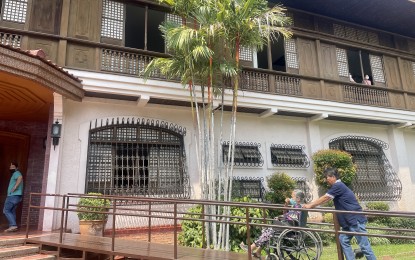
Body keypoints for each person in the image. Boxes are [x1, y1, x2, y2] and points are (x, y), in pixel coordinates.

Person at [303, 168, 376, 260]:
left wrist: (310, 205)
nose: (326, 180)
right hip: (348, 222)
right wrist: (312, 205)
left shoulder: (338, 186)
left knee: (364, 246)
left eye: (327, 178)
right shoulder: (338, 186)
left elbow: (326, 198)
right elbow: (328, 198)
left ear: (333, 177)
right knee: (343, 240)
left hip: (355, 220)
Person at [240, 189, 305, 259]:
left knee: (269, 232)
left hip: (290, 229)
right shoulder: (296, 206)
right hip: (287, 226)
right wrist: (286, 204)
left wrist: (282, 217)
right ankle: (258, 251)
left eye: (293, 197)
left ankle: (252, 247)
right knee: (267, 231)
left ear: (298, 198)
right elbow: (285, 213)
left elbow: (290, 217)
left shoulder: (299, 206)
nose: (291, 198)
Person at [3, 162, 24, 232]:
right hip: (17, 196)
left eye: (12, 167)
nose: (11, 168)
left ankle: (13, 225)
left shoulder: (16, 173)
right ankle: (13, 227)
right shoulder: (15, 174)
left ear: (16, 168)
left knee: (6, 210)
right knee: (12, 210)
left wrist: (15, 187)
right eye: (10, 167)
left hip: (13, 196)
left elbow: (20, 177)